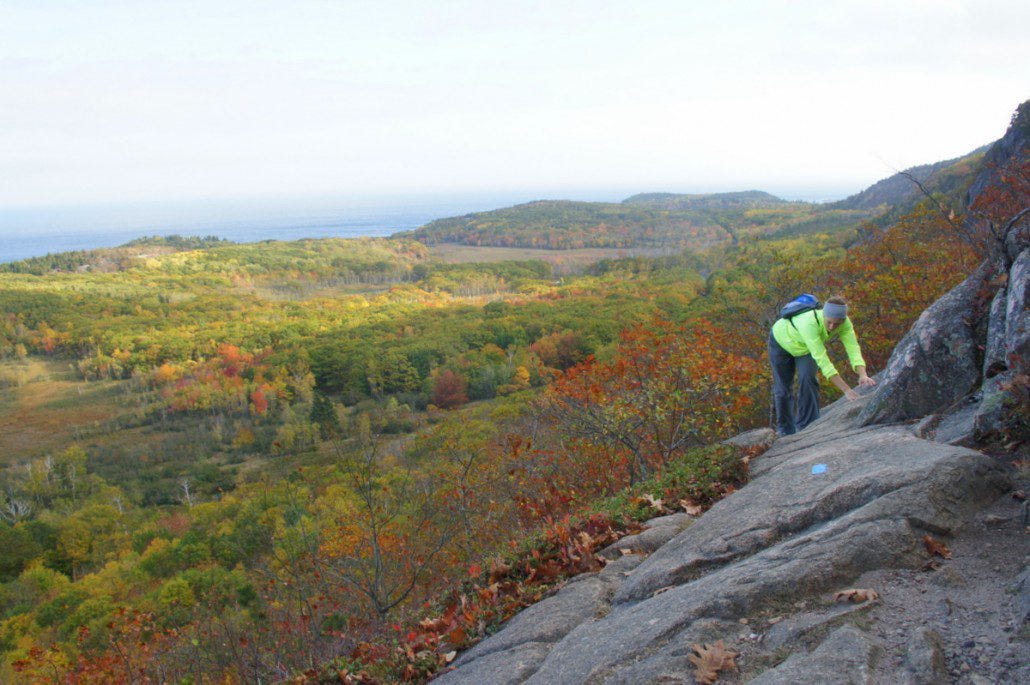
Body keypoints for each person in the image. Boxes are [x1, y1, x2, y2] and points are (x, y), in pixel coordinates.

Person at [768, 295, 876, 436]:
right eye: (829, 322)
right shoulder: (809, 323)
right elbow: (823, 361)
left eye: (836, 324)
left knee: (809, 379)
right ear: (824, 314)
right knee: (783, 388)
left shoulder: (845, 323)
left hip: (804, 349)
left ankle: (807, 426)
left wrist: (863, 374)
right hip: (780, 342)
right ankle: (785, 430)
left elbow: (853, 348)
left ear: (843, 320)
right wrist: (846, 390)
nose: (832, 327)